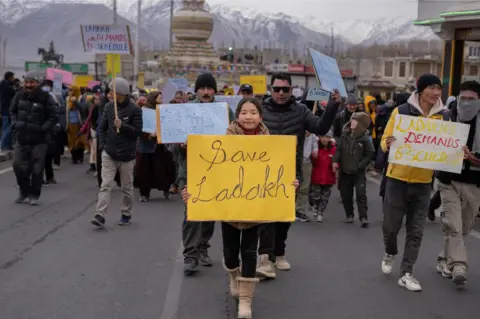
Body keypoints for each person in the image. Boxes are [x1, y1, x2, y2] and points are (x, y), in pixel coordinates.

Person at [181, 97, 299, 319]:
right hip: (229, 210)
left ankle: (246, 299)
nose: (248, 116)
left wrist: (290, 183)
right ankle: (234, 275)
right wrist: (193, 192)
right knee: (230, 253)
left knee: (249, 251)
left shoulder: (272, 143)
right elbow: (207, 170)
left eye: (253, 112)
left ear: (260, 116)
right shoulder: (222, 140)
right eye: (244, 112)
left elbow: (280, 173)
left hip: (256, 210)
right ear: (237, 116)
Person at [256, 72, 341, 280]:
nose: (281, 93)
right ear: (270, 89)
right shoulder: (260, 111)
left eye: (285, 89)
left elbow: (320, 127)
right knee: (267, 216)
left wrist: (332, 106)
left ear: (291, 90)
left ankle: (279, 252)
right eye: (277, 89)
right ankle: (264, 257)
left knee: (285, 217)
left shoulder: (301, 111)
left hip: (290, 173)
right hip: (263, 173)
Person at [380, 73, 448, 292]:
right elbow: (384, 140)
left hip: (423, 182)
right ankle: (390, 251)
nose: (436, 93)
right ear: (420, 90)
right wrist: (387, 143)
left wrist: (459, 152)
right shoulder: (401, 111)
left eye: (438, 88)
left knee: (416, 230)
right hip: (397, 179)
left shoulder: (445, 117)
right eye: (431, 88)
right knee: (391, 227)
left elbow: (448, 146)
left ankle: (407, 272)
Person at [175, 73, 236, 275]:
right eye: (203, 88)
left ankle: (203, 247)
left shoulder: (225, 111)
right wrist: (181, 145)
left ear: (215, 90)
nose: (206, 92)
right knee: (192, 214)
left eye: (210, 88)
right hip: (191, 171)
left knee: (210, 213)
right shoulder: (185, 111)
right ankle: (190, 255)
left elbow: (237, 138)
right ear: (197, 90)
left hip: (216, 170)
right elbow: (171, 147)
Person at [435, 80, 480, 286]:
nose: (467, 102)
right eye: (463, 98)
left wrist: (475, 159)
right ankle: (459, 265)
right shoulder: (446, 117)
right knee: (453, 223)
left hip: (474, 182)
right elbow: (432, 144)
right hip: (448, 180)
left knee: (464, 227)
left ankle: (444, 258)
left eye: (472, 99)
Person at [91, 77, 142, 228]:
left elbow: (137, 132)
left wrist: (123, 125)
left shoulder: (135, 110)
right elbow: (102, 127)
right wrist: (102, 145)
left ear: (122, 93)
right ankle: (100, 214)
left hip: (127, 155)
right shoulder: (108, 107)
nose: (110, 95)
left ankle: (126, 213)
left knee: (126, 187)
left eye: (114, 92)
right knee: (106, 184)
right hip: (109, 152)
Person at [10, 71, 58, 205]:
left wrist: (43, 128)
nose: (28, 85)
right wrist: (15, 124)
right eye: (27, 82)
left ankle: (34, 194)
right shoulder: (19, 95)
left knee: (37, 169)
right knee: (17, 165)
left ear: (37, 83)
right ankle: (24, 190)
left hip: (39, 140)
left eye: (32, 82)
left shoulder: (45, 97)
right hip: (22, 137)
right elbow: (12, 111)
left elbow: (53, 116)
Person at [332, 112, 375, 226]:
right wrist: (335, 161)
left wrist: (361, 165)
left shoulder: (365, 139)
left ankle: (363, 217)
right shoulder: (344, 135)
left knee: (361, 194)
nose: (352, 122)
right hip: (345, 170)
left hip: (358, 172)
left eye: (355, 121)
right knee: (346, 194)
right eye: (352, 120)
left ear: (361, 124)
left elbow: (370, 153)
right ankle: (349, 215)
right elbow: (339, 150)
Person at [135, 92, 176, 201]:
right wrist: (148, 135)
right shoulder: (144, 111)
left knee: (163, 169)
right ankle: (144, 194)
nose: (162, 100)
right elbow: (139, 127)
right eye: (159, 98)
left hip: (160, 146)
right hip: (146, 146)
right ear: (153, 99)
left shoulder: (163, 110)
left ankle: (165, 189)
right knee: (145, 170)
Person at [310, 131, 336, 222]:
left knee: (325, 197)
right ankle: (315, 206)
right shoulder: (315, 148)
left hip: (329, 177)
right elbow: (312, 162)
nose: (324, 139)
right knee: (316, 195)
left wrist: (336, 165)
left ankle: (320, 213)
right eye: (322, 137)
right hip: (317, 177)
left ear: (330, 138)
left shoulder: (333, 149)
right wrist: (313, 156)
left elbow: (337, 161)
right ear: (319, 137)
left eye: (327, 137)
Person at [0, 71, 16, 152]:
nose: (13, 79)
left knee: (7, 128)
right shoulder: (9, 87)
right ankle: (4, 146)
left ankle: (8, 146)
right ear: (10, 77)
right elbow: (13, 97)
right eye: (13, 77)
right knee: (7, 129)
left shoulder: (3, 85)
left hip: (5, 110)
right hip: (7, 110)